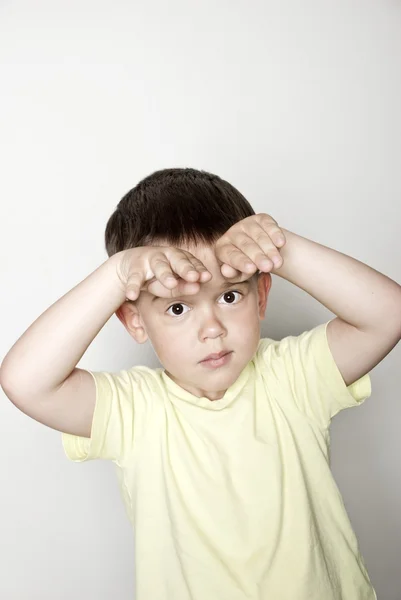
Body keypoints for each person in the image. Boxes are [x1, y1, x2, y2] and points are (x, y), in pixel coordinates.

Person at [3, 167, 400, 600]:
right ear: (135, 320)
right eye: (177, 308)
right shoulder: (135, 411)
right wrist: (118, 275)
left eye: (230, 296)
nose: (212, 328)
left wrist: (278, 249)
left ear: (260, 295)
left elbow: (387, 315)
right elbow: (26, 381)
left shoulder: (292, 376)